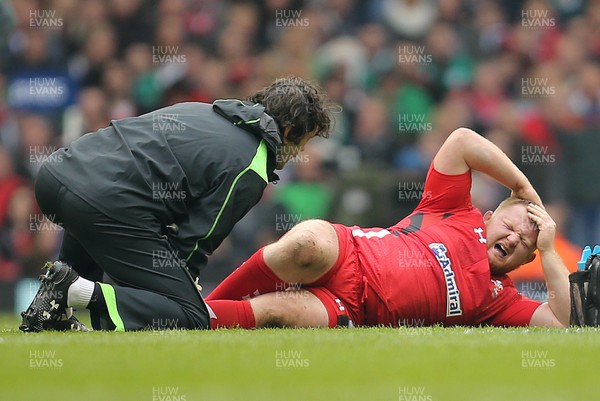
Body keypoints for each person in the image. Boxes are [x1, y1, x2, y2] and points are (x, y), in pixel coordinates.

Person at [19, 76, 332, 332]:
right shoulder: (253, 163)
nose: (301, 151)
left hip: (59, 175)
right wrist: (184, 287)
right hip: (102, 200)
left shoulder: (204, 110)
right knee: (191, 314)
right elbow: (195, 242)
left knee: (84, 260)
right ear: (290, 132)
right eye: (306, 141)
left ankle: (53, 308)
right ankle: (71, 291)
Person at [203, 127, 570, 329]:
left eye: (524, 243)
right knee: (305, 244)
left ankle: (195, 319)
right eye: (510, 225)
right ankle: (203, 303)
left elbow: (559, 322)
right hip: (349, 251)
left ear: (524, 262)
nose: (512, 238)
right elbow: (461, 141)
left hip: (352, 309)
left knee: (279, 312)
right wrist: (524, 188)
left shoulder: (499, 300)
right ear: (489, 217)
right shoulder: (456, 211)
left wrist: (550, 250)